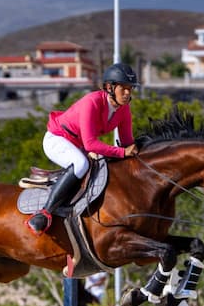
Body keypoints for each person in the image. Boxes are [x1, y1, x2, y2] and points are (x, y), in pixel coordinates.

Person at [26, 62, 140, 236]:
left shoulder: (124, 110)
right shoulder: (92, 102)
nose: (127, 93)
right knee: (81, 164)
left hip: (77, 144)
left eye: (130, 89)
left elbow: (127, 143)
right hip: (57, 139)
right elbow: (91, 145)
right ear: (109, 87)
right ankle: (44, 213)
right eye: (123, 88)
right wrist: (122, 152)